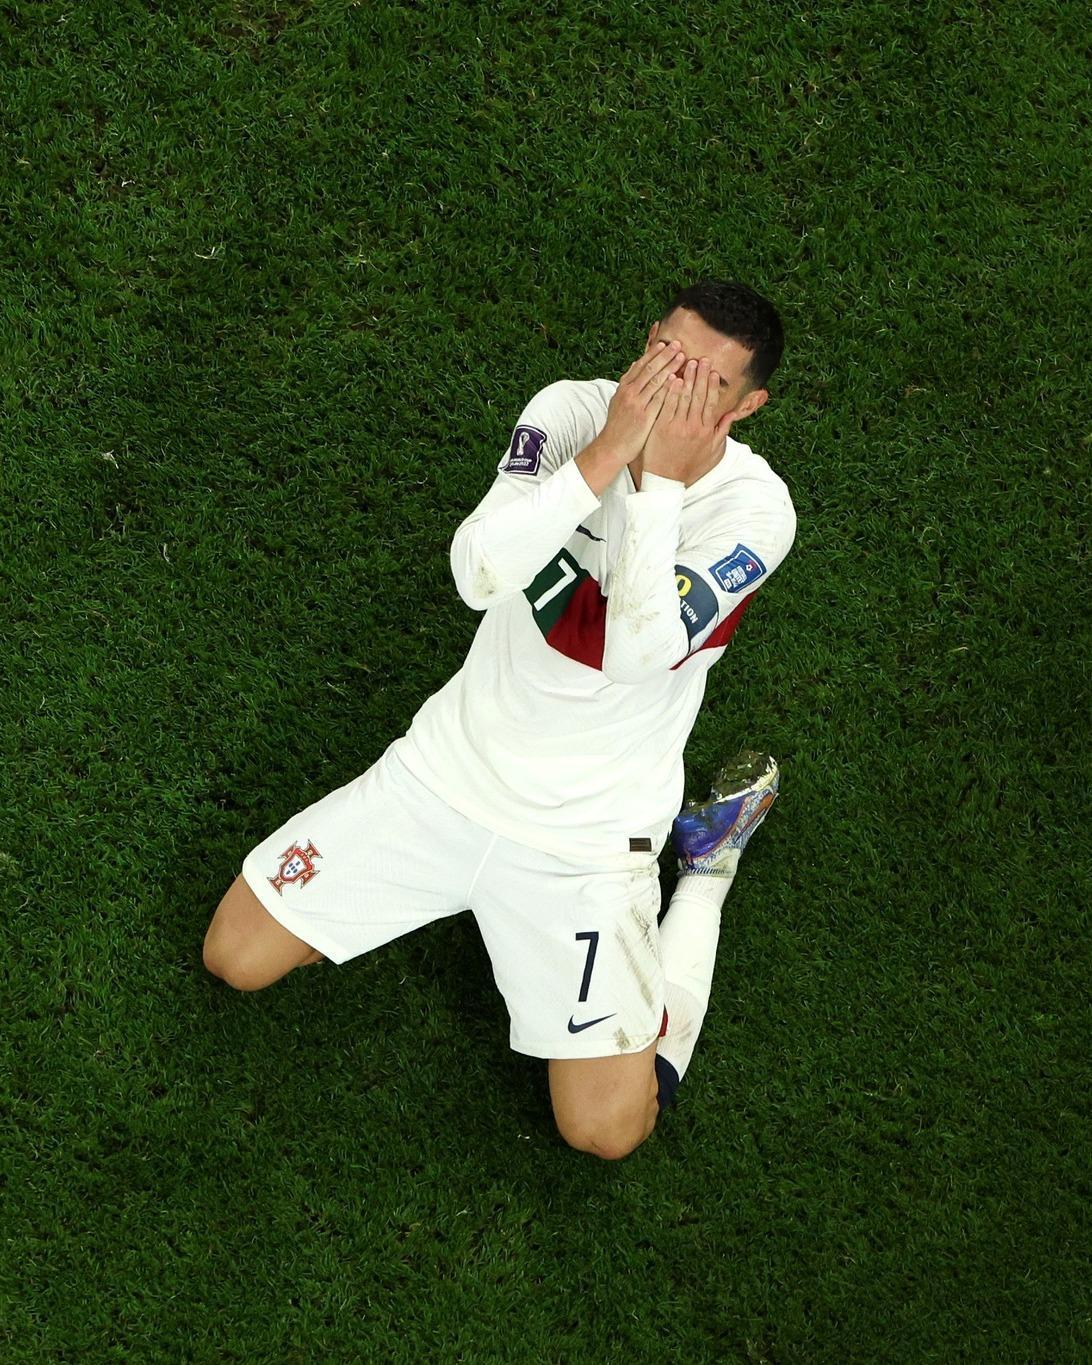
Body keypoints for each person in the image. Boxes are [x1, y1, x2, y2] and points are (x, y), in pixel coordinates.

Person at [203, 278, 797, 1160]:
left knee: (605, 1130)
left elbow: (635, 653)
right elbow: (478, 572)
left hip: (589, 844)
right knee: (235, 956)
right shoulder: (571, 411)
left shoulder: (756, 513)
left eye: (705, 382)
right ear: (645, 339)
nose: (672, 388)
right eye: (665, 356)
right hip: (446, 776)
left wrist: (659, 484)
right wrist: (608, 452)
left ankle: (706, 869)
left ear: (747, 406)